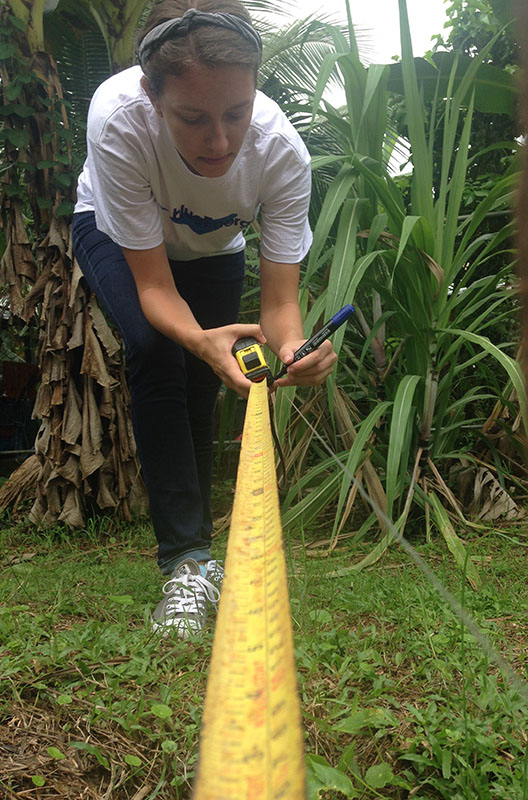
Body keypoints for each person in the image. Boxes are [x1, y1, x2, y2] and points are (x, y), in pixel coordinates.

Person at [71, 0, 336, 637]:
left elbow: (278, 304)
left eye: (236, 113)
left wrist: (297, 347)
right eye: (192, 118)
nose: (219, 142)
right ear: (152, 96)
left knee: (205, 379)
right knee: (158, 349)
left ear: (255, 92)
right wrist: (195, 336)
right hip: (119, 237)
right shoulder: (118, 123)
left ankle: (198, 553)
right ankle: (186, 564)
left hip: (217, 247)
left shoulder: (281, 155)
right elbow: (156, 288)